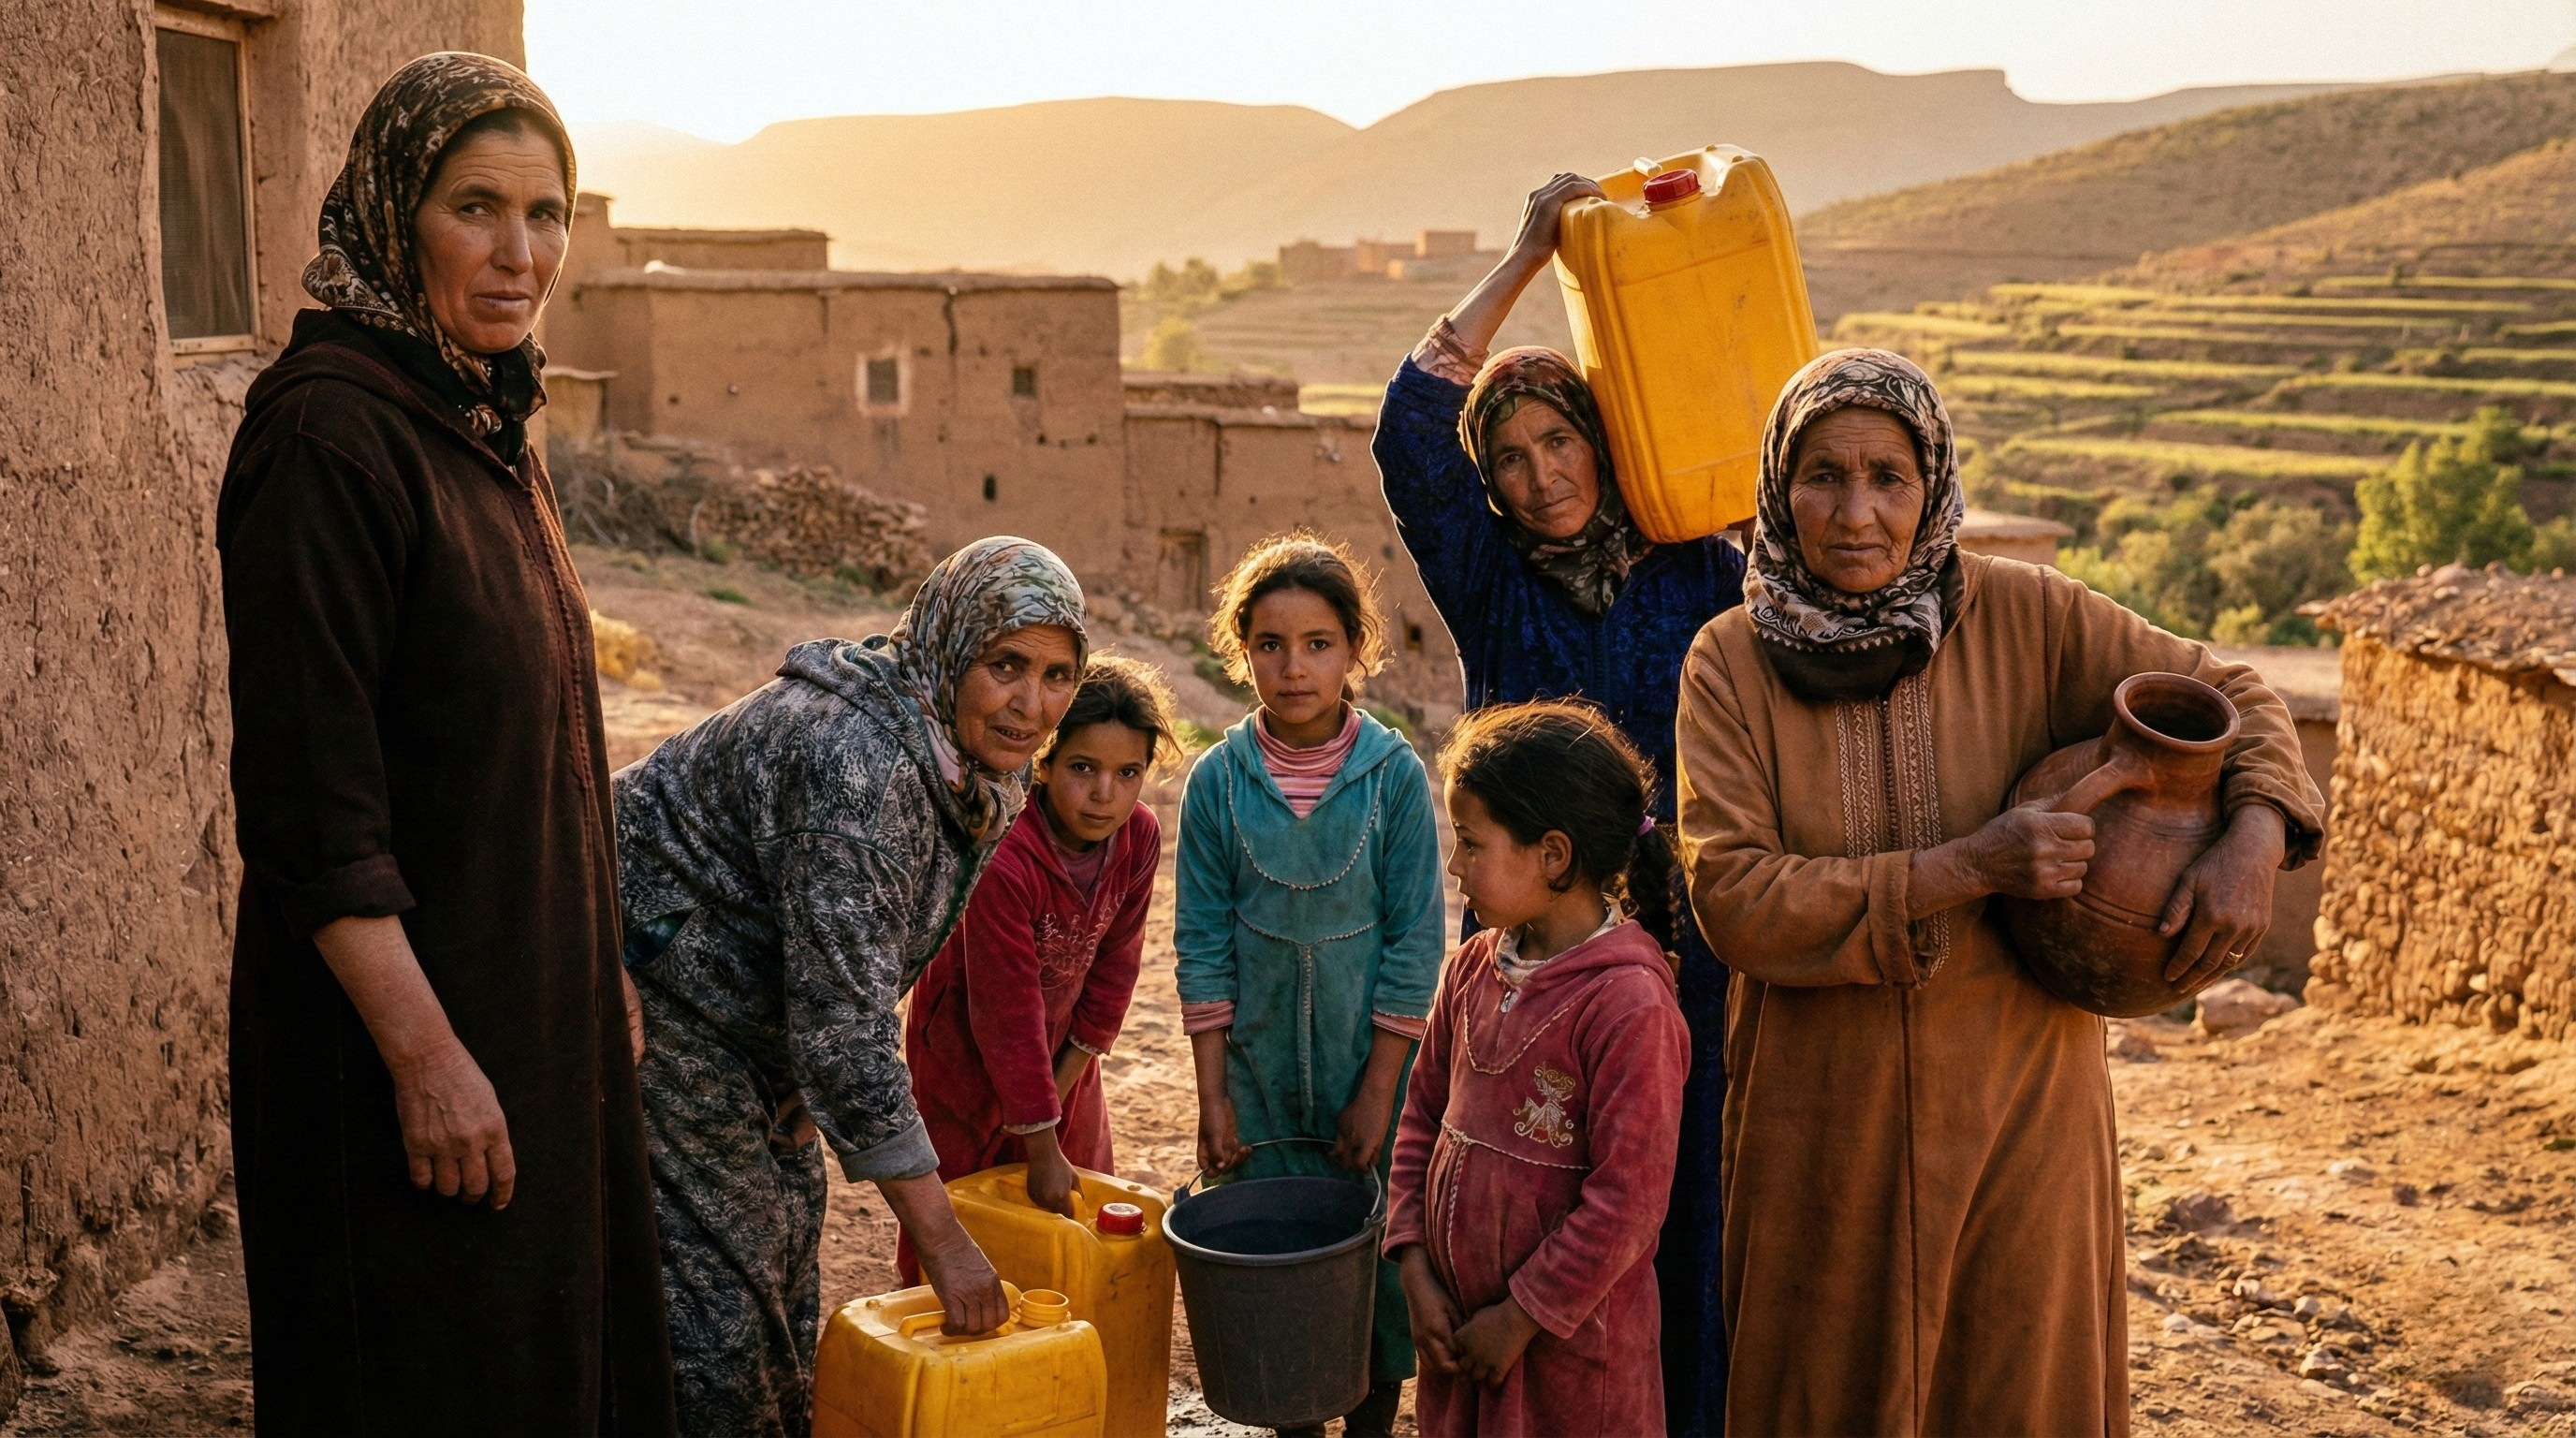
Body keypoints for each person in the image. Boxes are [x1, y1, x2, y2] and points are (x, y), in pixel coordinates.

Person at [1676, 349, 2325, 1434]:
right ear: (1779, 491)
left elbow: (2234, 694)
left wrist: (2254, 835)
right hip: (1821, 1129)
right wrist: (1969, 867)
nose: (1855, 514)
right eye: (1823, 476)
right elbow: (1734, 896)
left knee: (2017, 1390)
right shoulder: (1729, 663)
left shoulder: (2030, 618)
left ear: (1932, 485)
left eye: (1888, 478)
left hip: (2022, 1117)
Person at [218, 52, 675, 1434]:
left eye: (547, 214)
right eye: (475, 208)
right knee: (424, 1378)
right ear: (392, 213)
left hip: (525, 1011)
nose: (519, 253)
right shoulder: (331, 439)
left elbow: (533, 745)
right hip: (399, 1054)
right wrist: (427, 1063)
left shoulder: (479, 413)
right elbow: (312, 813)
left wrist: (593, 970)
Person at [1371, 172, 1747, 1432]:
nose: (1538, 479)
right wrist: (1531, 249)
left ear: (1603, 437)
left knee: (1667, 1196)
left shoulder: (1700, 567)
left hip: (1682, 944)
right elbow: (1409, 429)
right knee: (1513, 1174)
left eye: (1560, 442)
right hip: (1531, 933)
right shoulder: (1491, 580)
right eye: (1511, 459)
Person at [612, 536, 1085, 1438]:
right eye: (1006, 666)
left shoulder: (975, 760)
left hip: (754, 1016)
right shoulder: (857, 763)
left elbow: (861, 962)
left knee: (786, 1254)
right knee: (719, 1312)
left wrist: (808, 1070)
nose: (1032, 705)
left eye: (1058, 675)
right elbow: (845, 1031)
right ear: (950, 647)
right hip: (663, 993)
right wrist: (942, 1241)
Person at [1175, 533, 1447, 1438]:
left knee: (1376, 1272)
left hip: (1370, 1072)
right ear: (1242, 650)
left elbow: (1415, 944)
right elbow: (1200, 946)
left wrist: (1377, 1093)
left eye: (1318, 643)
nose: (1293, 668)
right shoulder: (1218, 782)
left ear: (1356, 650)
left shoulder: (1393, 777)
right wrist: (1215, 1097)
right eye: (1270, 645)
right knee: (1281, 1268)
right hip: (1255, 1081)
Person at [1387, 702, 1690, 1437]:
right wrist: (1415, 1269)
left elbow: (1627, 1202)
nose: (1455, 866)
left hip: (1569, 1361)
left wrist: (1520, 1318)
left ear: (1553, 855)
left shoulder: (1628, 1004)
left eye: (1471, 843)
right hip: (1460, 1341)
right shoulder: (1472, 968)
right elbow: (1420, 1117)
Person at [898, 654, 1178, 1272]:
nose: (1104, 794)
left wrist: (1056, 1104)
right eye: (1082, 768)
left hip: (1064, 1058)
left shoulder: (1138, 838)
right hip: (963, 1054)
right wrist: (1039, 1141)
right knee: (958, 1217)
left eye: (1128, 773)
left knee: (1066, 1222)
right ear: (1045, 761)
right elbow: (1005, 1011)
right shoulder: (1005, 852)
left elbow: (1114, 974)